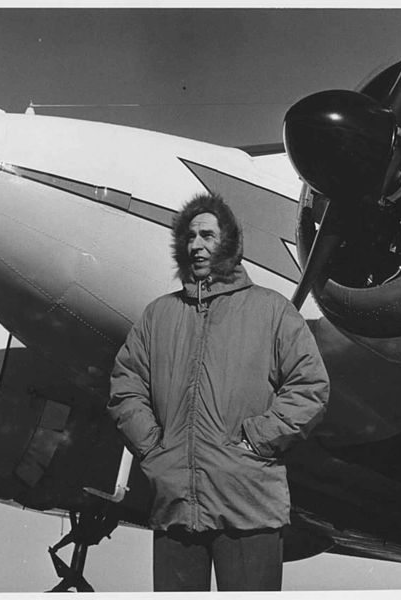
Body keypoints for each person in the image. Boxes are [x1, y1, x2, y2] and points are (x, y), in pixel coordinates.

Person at [107, 192, 329, 591]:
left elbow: (310, 386)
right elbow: (126, 386)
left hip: (249, 507)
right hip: (176, 506)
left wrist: (256, 440)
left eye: (207, 235)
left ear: (228, 242)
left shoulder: (273, 311)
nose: (196, 245)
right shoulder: (158, 315)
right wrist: (155, 447)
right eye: (189, 236)